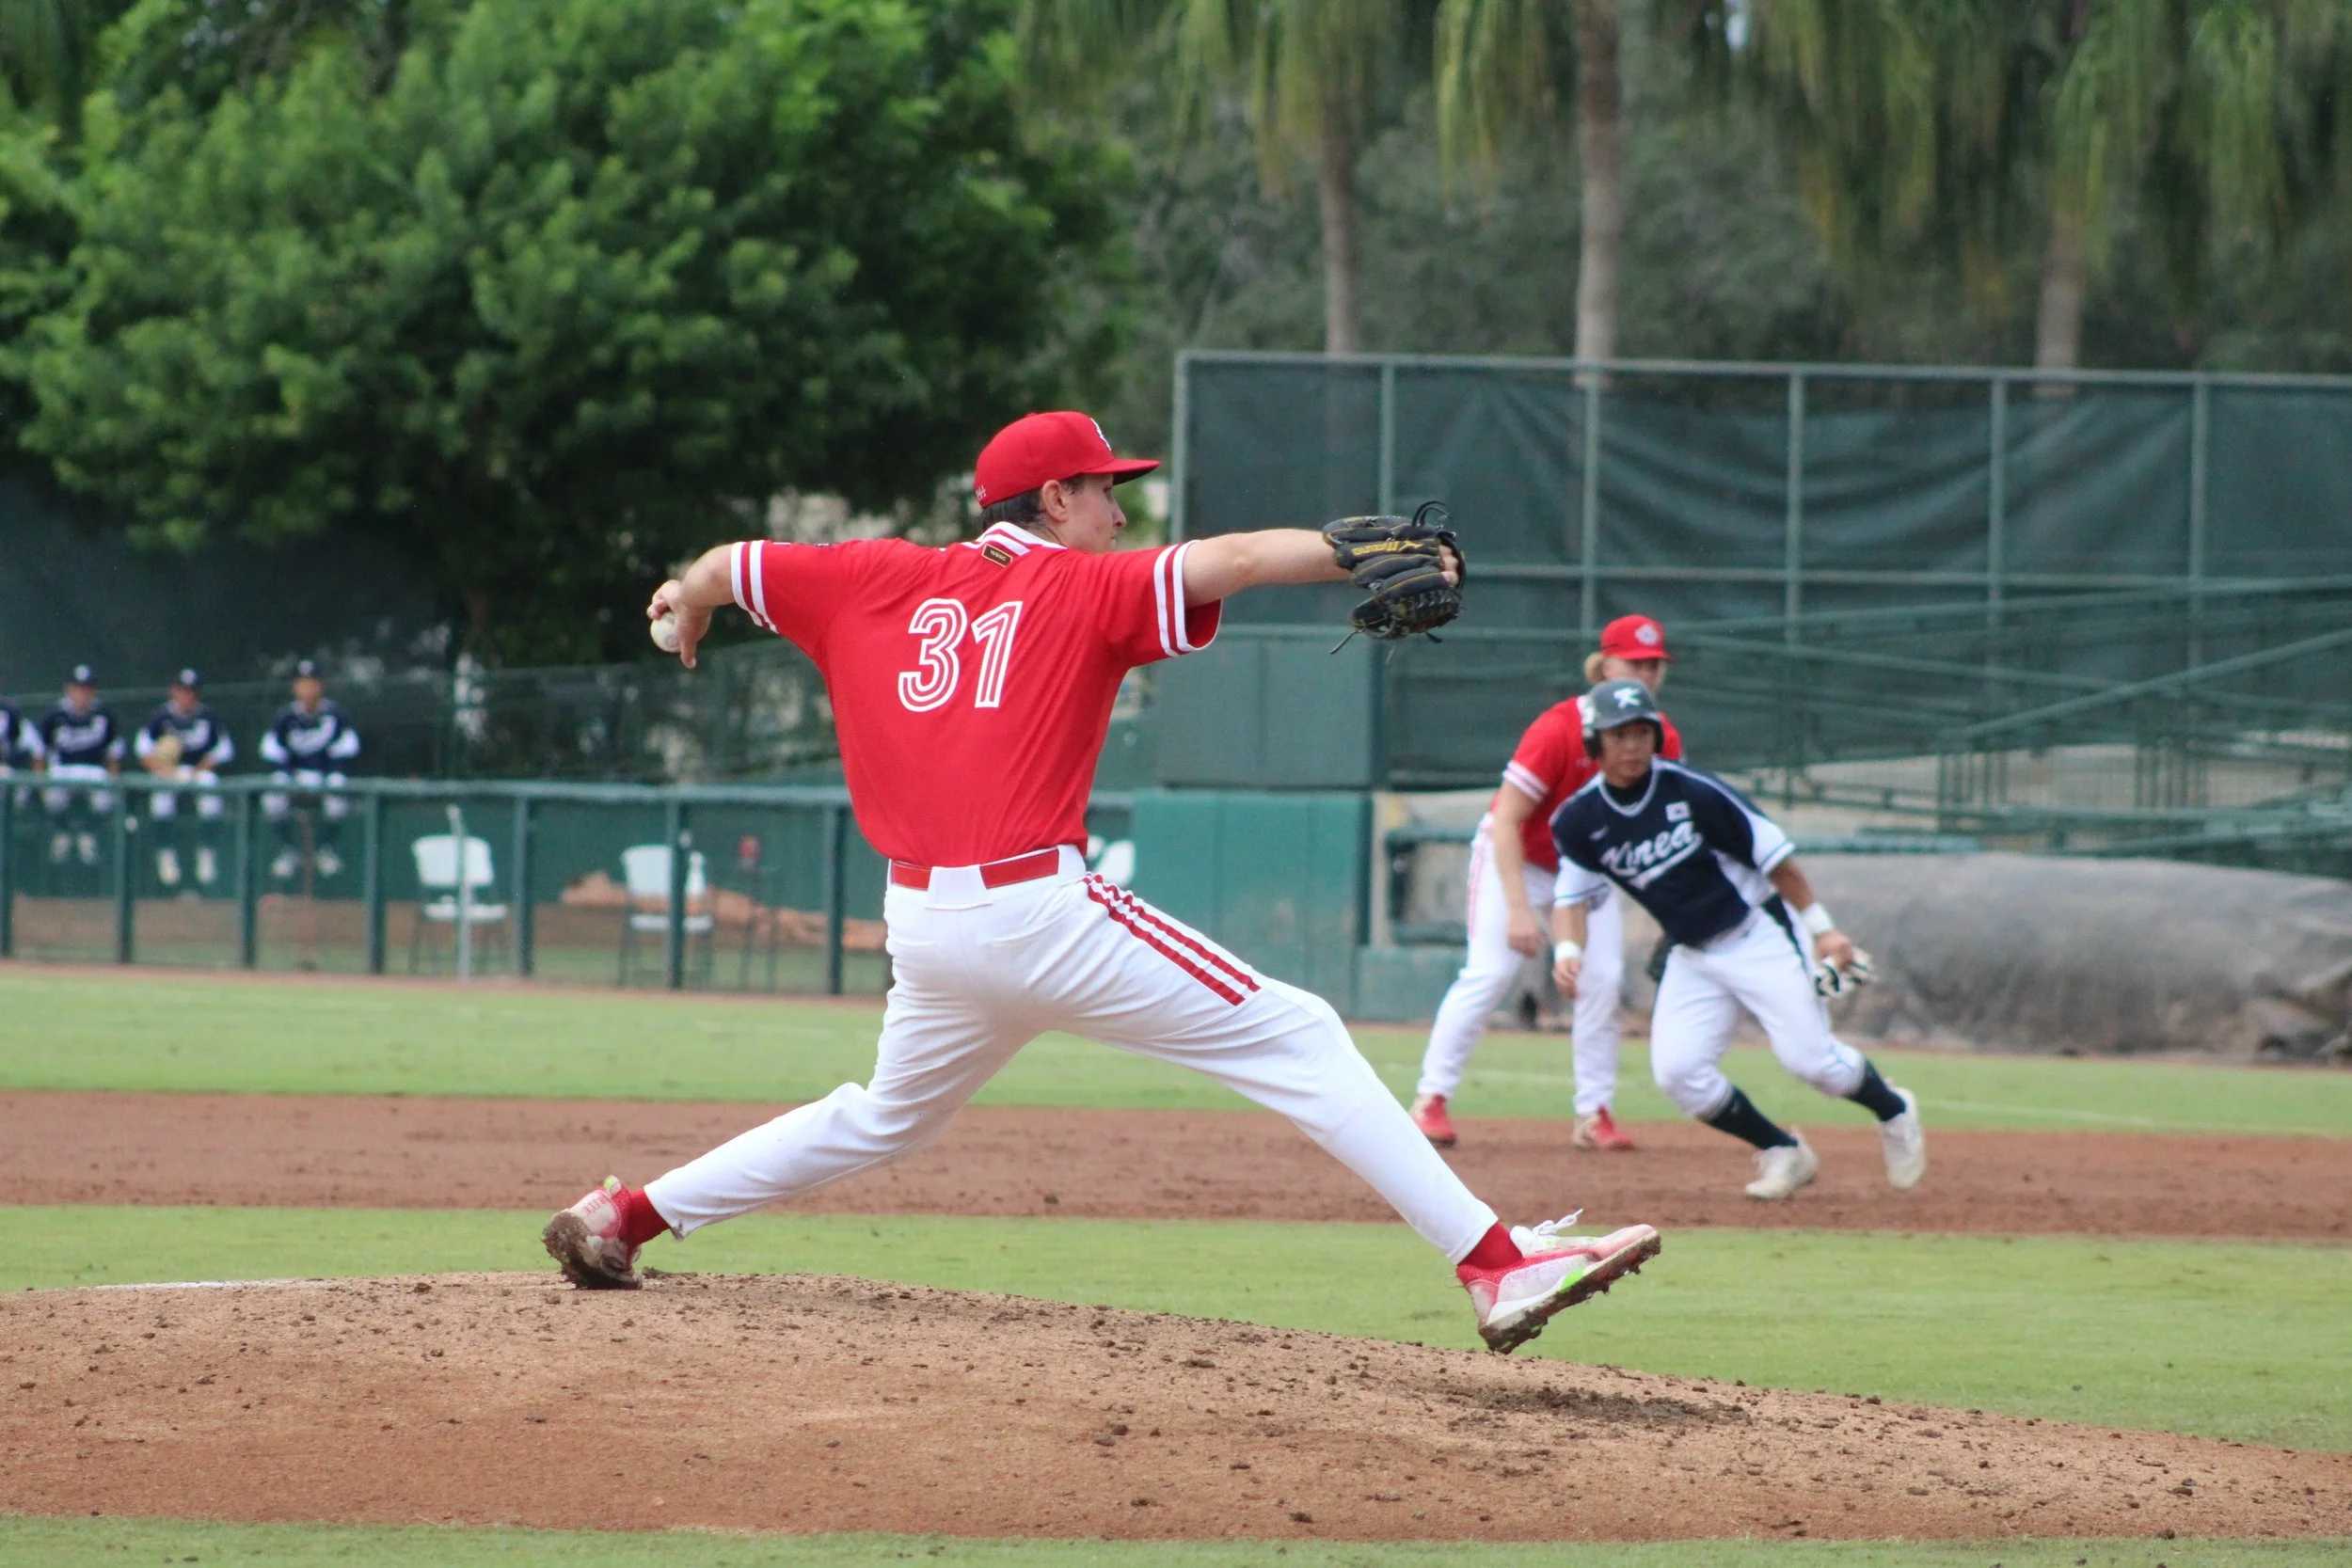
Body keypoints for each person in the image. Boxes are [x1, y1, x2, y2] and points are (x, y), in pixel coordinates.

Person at [543, 409, 1661, 1354]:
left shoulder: (870, 576)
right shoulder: (1082, 591)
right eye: (1105, 491)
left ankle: (626, 1216)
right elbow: (1228, 560)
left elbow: (733, 564)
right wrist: (1345, 550)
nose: (1119, 513)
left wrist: (684, 603)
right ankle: (1494, 1262)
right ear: (1054, 497)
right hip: (1037, 909)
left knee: (883, 1114)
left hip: (924, 924)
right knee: (1302, 1032)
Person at [1549, 679, 1927, 1200]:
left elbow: (1776, 859)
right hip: (1693, 953)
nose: (1632, 745)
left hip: (1758, 931)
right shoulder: (1580, 819)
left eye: (1642, 732)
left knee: (1812, 1063)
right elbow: (1571, 896)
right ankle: (1783, 1151)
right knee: (1679, 1073)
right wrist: (1567, 950)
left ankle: (1894, 1109)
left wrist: (1822, 928)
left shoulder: (1693, 790)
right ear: (1595, 744)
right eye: (1618, 735)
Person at [1410, 614, 1683, 1153]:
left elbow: (1660, 829)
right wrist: (1518, 908)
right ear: (1605, 665)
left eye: (1655, 665)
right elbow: (1508, 819)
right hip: (1519, 858)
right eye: (1635, 662)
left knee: (1602, 977)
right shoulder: (1559, 730)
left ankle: (1594, 1112)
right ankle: (1430, 1099)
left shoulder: (1661, 739)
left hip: (1585, 872)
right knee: (1492, 970)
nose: (1647, 674)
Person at [260, 659, 360, 880]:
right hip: (294, 778)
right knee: (272, 795)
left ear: (321, 686)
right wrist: (290, 774)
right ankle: (288, 850)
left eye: (312, 683)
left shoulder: (335, 714)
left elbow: (349, 749)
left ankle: (326, 849)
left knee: (338, 786)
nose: (307, 688)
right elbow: (272, 752)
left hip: (325, 777)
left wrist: (326, 773)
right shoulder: (284, 716)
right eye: (302, 683)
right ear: (295, 687)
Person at [135, 668, 235, 891]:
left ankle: (207, 853)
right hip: (168, 772)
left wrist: (198, 770)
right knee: (161, 795)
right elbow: (144, 754)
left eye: (191, 691)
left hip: (197, 772)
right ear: (173, 691)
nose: (186, 696)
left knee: (210, 786)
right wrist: (165, 770)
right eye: (182, 691)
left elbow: (223, 752)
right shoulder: (160, 717)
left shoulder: (208, 717)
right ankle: (165, 853)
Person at [36, 665, 123, 867]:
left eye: (86, 688)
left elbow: (115, 754)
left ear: (93, 690)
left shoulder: (104, 715)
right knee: (54, 798)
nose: (82, 693)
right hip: (62, 771)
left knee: (103, 799)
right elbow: (39, 754)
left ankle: (88, 834)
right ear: (68, 689)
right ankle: (62, 833)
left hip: (94, 772)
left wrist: (113, 777)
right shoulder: (54, 715)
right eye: (77, 687)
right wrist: (40, 782)